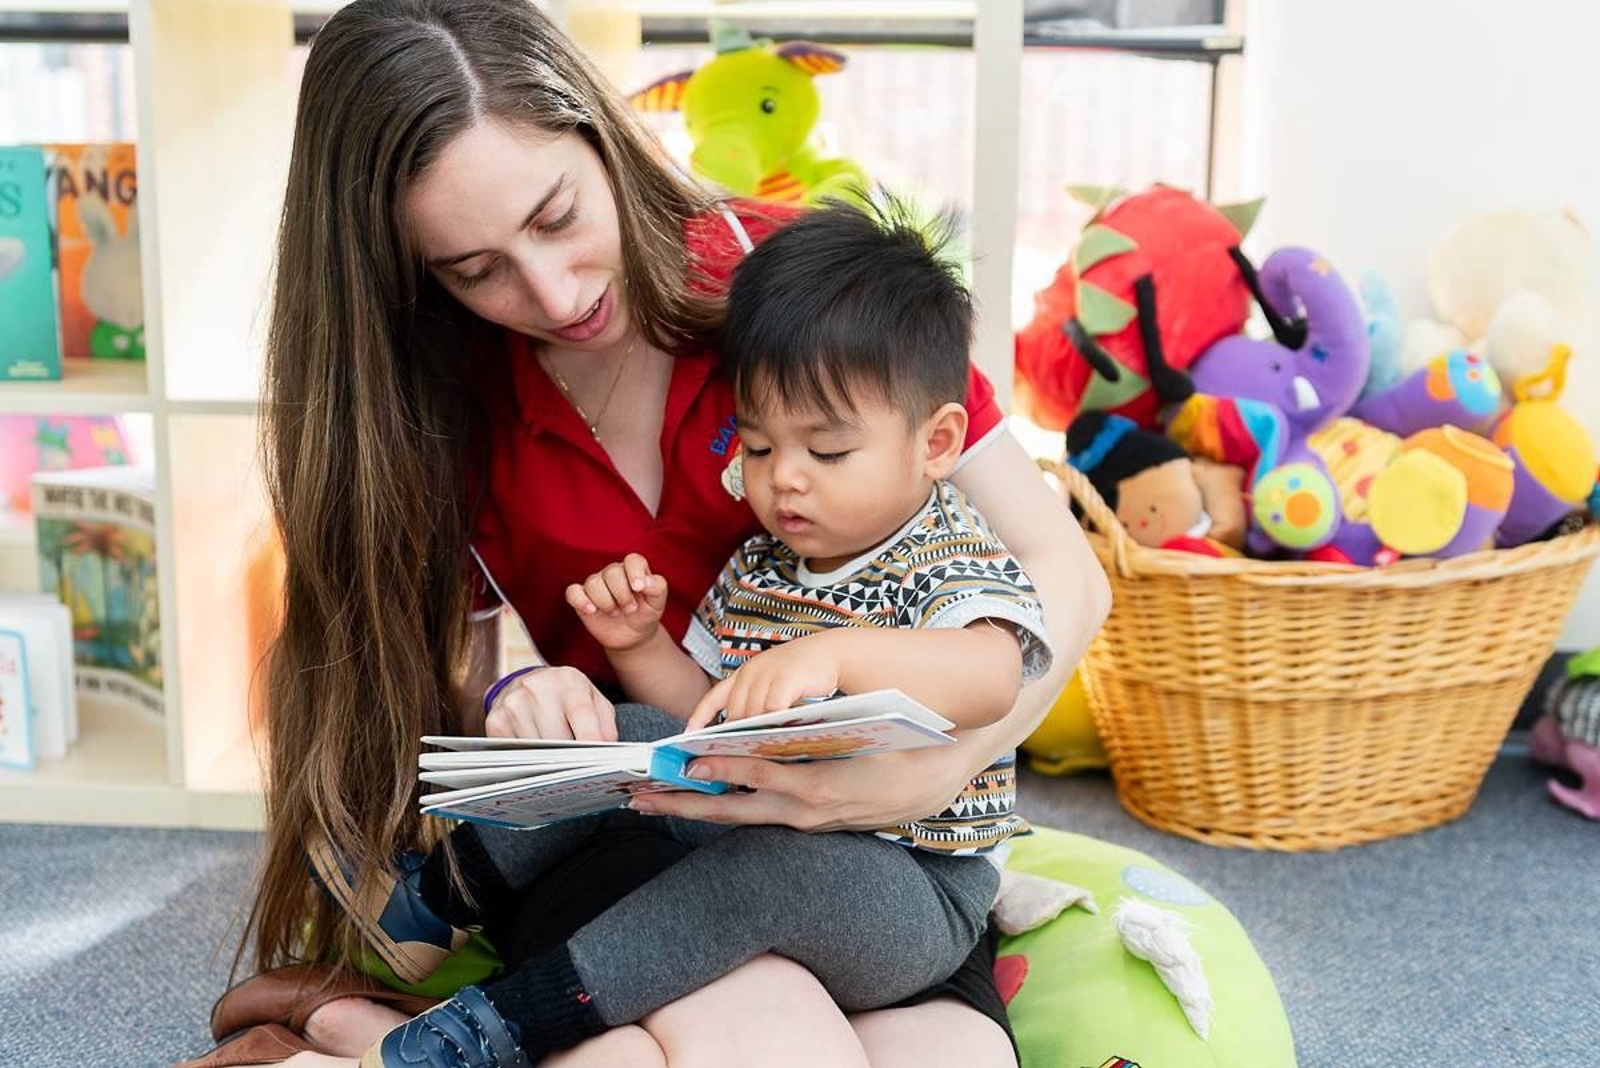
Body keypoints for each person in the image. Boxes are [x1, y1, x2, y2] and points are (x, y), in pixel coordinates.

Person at [246, 1, 1110, 1066]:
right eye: (475, 270)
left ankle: (369, 1037)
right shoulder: (434, 393)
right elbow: (459, 659)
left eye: (558, 216)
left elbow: (1058, 566)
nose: (552, 294)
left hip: (872, 851)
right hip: (636, 831)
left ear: (602, 138)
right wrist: (516, 691)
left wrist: (949, 764)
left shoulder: (814, 300)